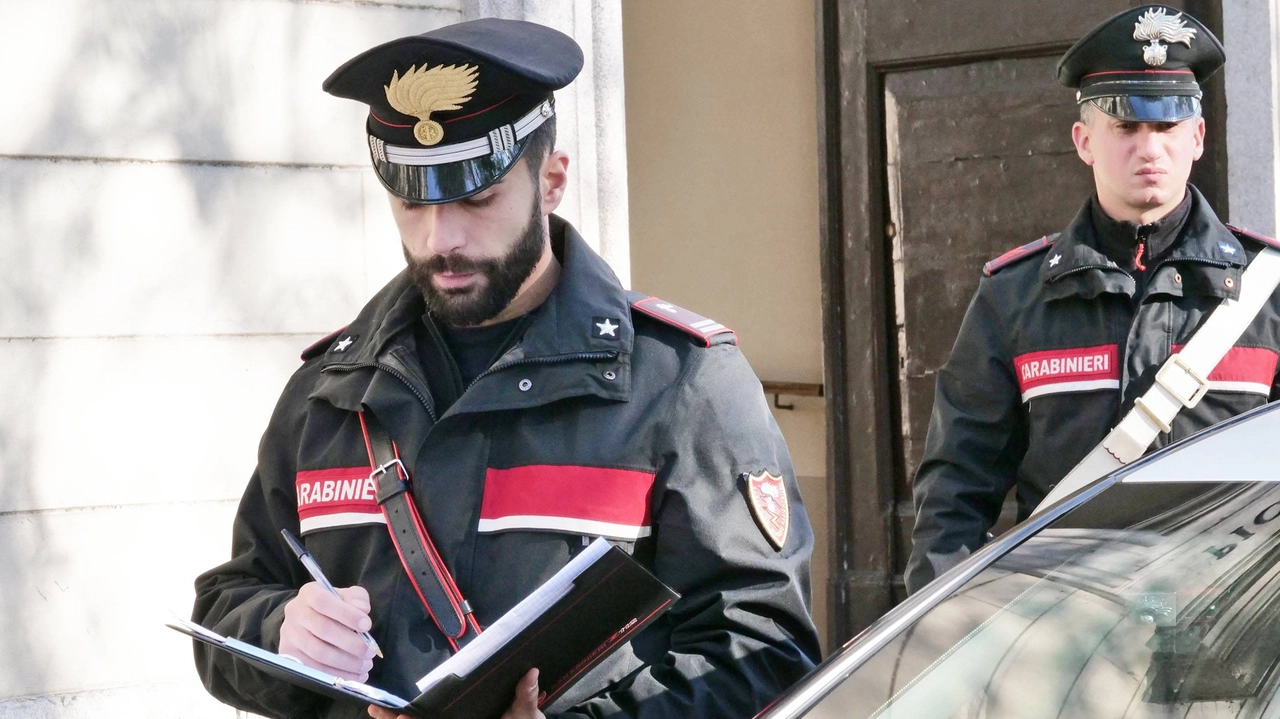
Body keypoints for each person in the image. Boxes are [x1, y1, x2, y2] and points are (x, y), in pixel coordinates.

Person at [190, 17, 821, 719]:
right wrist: (283, 631)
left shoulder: (679, 384)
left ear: (551, 181)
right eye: (412, 203)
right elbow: (226, 608)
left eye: (477, 199)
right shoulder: (327, 393)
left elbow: (762, 650)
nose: (442, 239)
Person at [906, 5, 1280, 594]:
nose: (1149, 148)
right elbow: (956, 489)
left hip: (1230, 630)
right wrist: (943, 629)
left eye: (1166, 127)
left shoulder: (1270, 294)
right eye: (1126, 127)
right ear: (1084, 141)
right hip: (1069, 642)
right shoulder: (1014, 296)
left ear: (1198, 138)